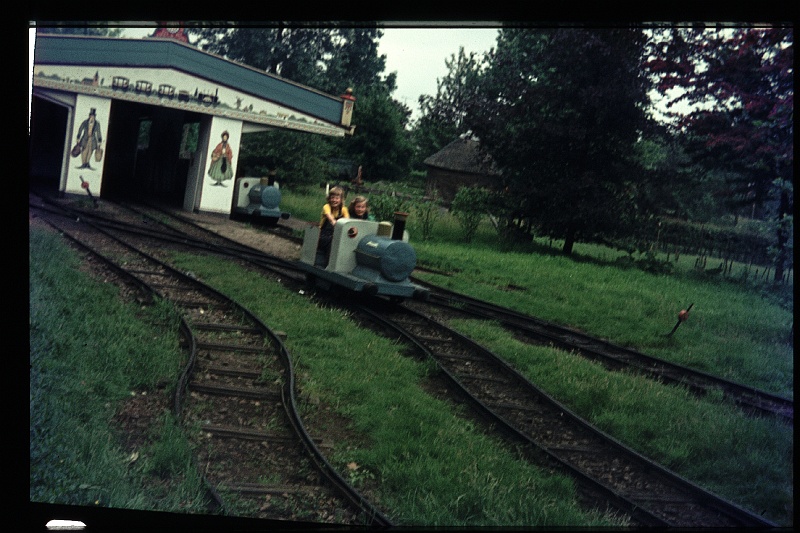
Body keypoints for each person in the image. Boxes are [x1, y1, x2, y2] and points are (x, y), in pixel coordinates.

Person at [316, 186, 349, 266]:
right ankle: (328, 264)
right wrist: (335, 223)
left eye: (337, 198)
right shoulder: (326, 207)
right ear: (329, 198)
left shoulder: (344, 209)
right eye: (332, 198)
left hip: (336, 234)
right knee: (333, 242)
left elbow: (347, 222)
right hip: (322, 234)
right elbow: (330, 218)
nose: (334, 200)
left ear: (341, 199)